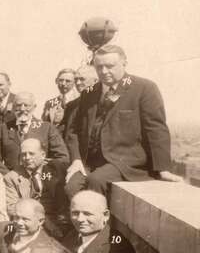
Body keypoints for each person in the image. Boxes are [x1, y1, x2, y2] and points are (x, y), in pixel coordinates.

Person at [64, 43, 180, 196]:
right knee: (71, 187)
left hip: (126, 162)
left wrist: (163, 169)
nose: (104, 71)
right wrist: (76, 160)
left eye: (110, 66)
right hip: (89, 162)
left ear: (124, 64)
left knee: (96, 181)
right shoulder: (89, 93)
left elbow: (156, 129)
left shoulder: (144, 88)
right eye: (99, 67)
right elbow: (73, 131)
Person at [4, 138, 69, 239]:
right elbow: (13, 208)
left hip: (59, 222)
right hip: (30, 224)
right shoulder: (12, 177)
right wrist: (44, 222)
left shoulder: (57, 168)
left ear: (43, 155)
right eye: (23, 154)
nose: (27, 158)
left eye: (31, 154)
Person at [0, 92, 68, 172]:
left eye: (26, 105)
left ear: (34, 107)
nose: (22, 109)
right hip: (11, 179)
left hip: (39, 178)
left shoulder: (47, 128)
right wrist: (8, 175)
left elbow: (63, 157)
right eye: (18, 105)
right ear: (13, 107)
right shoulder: (2, 129)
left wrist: (42, 167)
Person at [41, 68, 79, 134]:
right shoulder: (50, 103)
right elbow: (44, 126)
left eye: (68, 81)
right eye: (61, 80)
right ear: (56, 81)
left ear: (74, 83)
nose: (63, 83)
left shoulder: (78, 101)